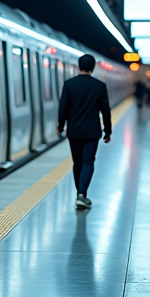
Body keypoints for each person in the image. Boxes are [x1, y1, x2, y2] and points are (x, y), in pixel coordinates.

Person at [57, 53, 112, 210]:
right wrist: (107, 131)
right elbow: (106, 111)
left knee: (77, 163)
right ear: (93, 68)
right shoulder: (99, 86)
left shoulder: (69, 84)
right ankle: (82, 194)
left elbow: (63, 107)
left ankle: (80, 194)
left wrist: (61, 126)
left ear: (78, 66)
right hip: (92, 131)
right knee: (88, 162)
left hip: (74, 131)